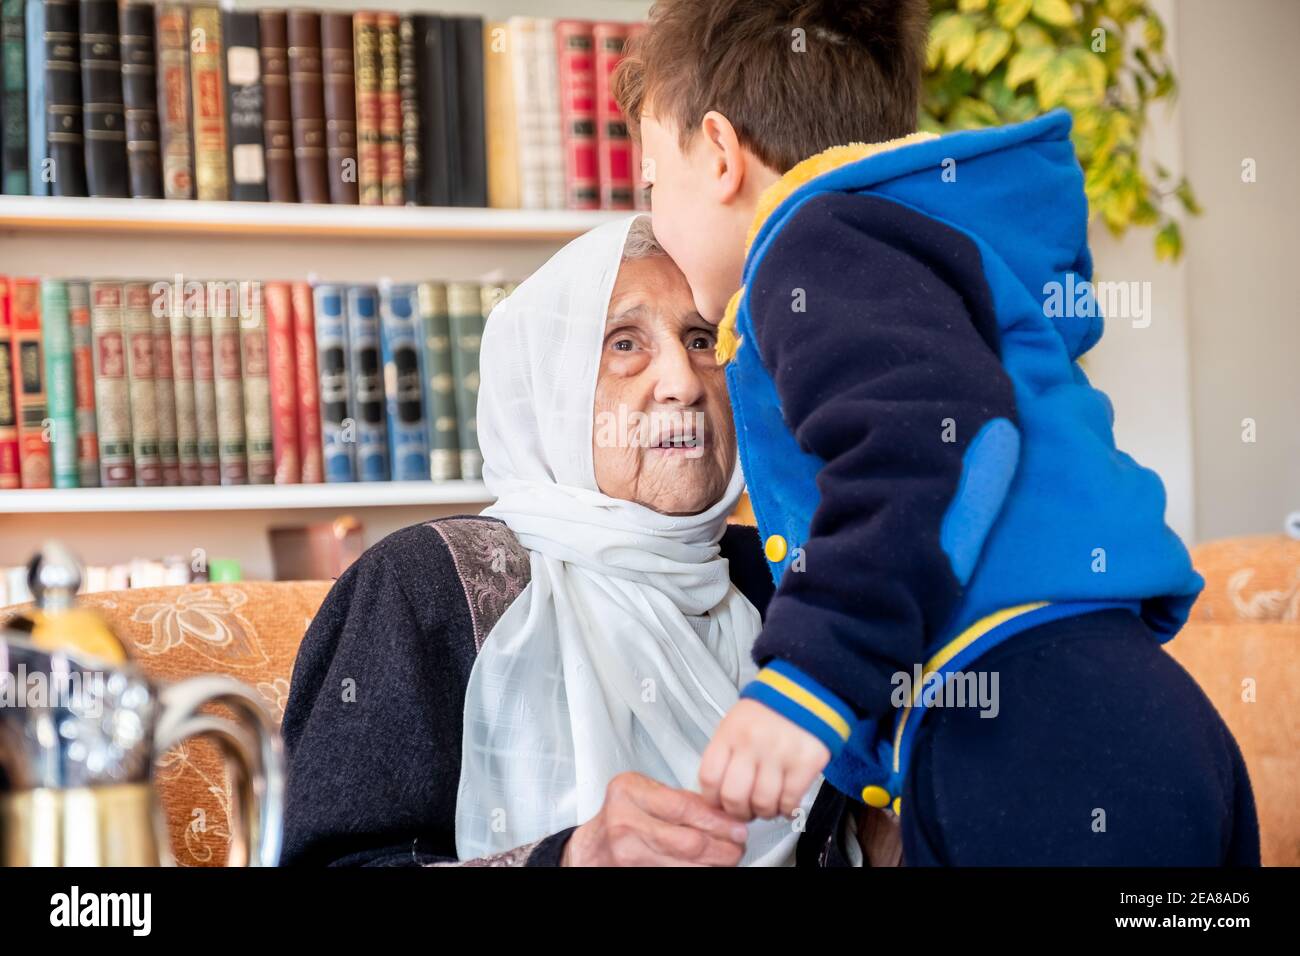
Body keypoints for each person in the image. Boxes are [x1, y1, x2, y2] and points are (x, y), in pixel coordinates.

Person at [613, 0, 1259, 864]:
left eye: (653, 183)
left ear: (723, 156)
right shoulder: (907, 237)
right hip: (1123, 712)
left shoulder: (810, 245)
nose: (652, 215)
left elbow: (935, 446)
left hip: (1038, 728)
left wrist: (809, 679)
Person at [280, 216, 897, 866]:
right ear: (553, 387)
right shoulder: (426, 585)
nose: (684, 383)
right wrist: (571, 858)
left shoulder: (781, 577)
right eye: (625, 343)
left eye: (699, 340)